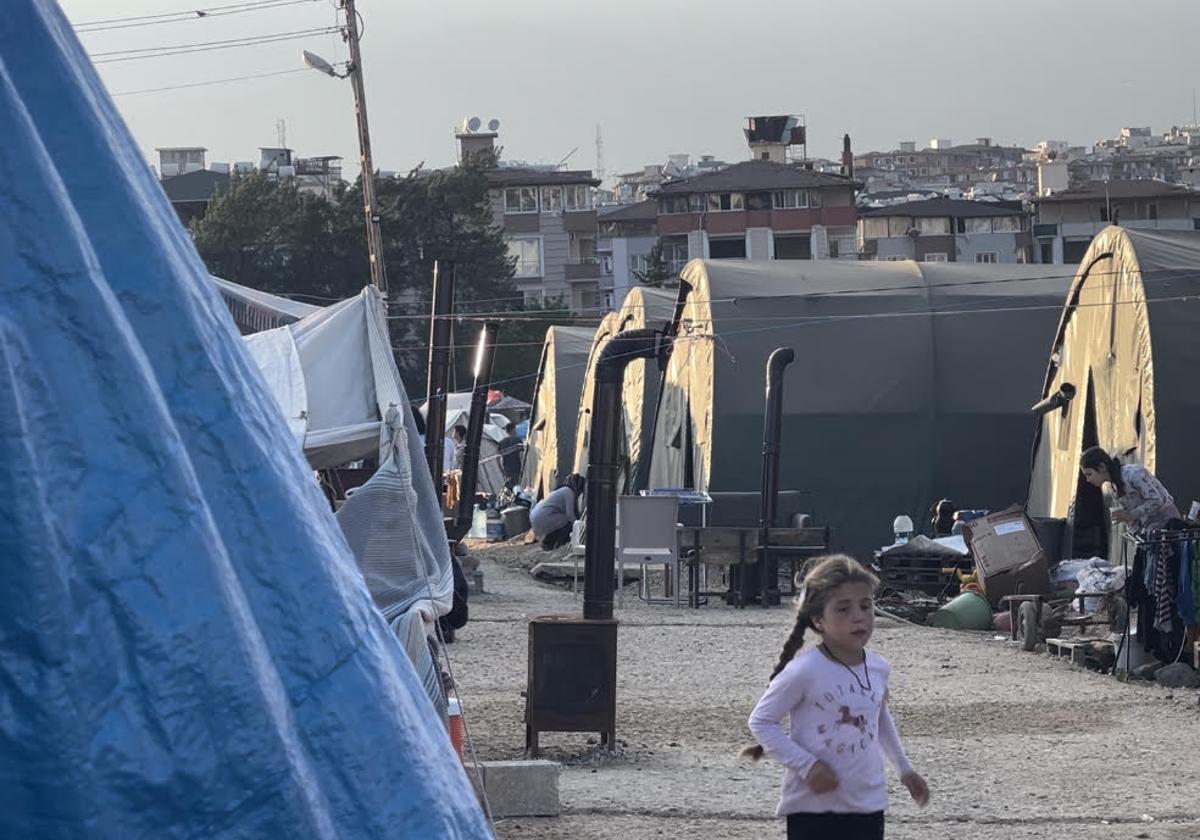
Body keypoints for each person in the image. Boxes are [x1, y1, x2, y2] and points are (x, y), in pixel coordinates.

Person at [744, 555, 929, 840]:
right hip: (813, 810)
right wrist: (809, 766)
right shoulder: (804, 671)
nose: (859, 616)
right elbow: (761, 722)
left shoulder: (878, 668)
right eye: (843, 609)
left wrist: (905, 770)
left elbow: (877, 718)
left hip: (867, 804)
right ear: (819, 620)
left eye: (866, 606)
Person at [1080, 447, 1180, 531]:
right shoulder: (1113, 487)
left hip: (1166, 524)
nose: (1088, 480)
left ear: (1102, 467)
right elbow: (1132, 516)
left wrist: (1130, 515)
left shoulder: (1134, 474)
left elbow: (1157, 500)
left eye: (1089, 474)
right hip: (1149, 532)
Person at [529, 474, 585, 550]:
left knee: (563, 521)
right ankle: (551, 542)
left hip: (535, 516)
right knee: (569, 523)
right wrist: (579, 527)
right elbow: (570, 514)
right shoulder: (568, 492)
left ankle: (549, 542)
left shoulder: (562, 490)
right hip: (542, 517)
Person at [499, 422, 523, 487]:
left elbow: (500, 459)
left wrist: (503, 471)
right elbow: (520, 456)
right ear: (514, 430)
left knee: (510, 489)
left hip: (507, 472)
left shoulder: (501, 443)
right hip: (517, 470)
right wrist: (522, 468)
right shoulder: (518, 440)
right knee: (518, 488)